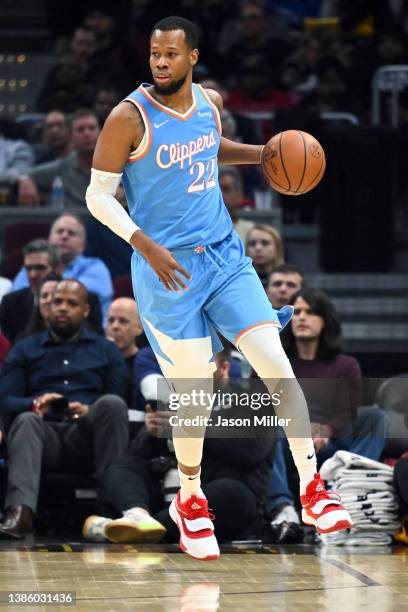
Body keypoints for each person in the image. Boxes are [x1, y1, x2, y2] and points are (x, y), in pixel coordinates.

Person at [85, 15, 352, 560]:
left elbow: (209, 145)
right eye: (154, 54)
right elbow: (97, 198)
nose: (160, 62)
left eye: (170, 54)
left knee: (275, 364)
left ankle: (311, 487)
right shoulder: (127, 117)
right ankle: (189, 498)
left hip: (223, 257)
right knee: (195, 395)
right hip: (166, 270)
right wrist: (145, 244)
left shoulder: (207, 103)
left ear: (193, 57)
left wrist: (262, 155)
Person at [83, 345, 274, 544]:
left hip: (221, 498)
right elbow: (137, 456)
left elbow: (253, 450)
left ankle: (136, 530)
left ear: (224, 369)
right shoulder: (176, 400)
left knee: (232, 493)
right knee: (121, 466)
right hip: (168, 493)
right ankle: (138, 516)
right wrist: (150, 433)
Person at [0, 280, 129, 538]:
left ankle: (113, 509)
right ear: (46, 307)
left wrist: (89, 409)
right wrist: (35, 403)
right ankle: (20, 512)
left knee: (112, 405)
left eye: (71, 303)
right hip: (43, 437)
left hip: (87, 435)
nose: (62, 308)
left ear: (85, 310)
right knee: (26, 419)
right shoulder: (25, 349)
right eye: (57, 302)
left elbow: (118, 397)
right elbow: (5, 399)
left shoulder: (106, 350)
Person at [266, 287, 388, 542]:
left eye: (310, 312)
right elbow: (264, 403)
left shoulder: (346, 365)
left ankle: (341, 497)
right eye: (297, 312)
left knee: (376, 418)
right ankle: (283, 509)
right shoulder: (275, 360)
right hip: (287, 442)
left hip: (333, 446)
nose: (301, 318)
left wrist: (325, 431)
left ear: (325, 320)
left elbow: (348, 410)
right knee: (267, 425)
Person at [12, 213, 113, 321]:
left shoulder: (95, 266)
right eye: (59, 231)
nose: (64, 236)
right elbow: (20, 296)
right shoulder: (33, 265)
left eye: (71, 233)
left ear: (82, 246)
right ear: (49, 239)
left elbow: (76, 298)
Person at [17, 109, 100, 208]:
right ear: (71, 136)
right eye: (80, 130)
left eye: (91, 128)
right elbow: (27, 174)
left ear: (100, 132)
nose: (87, 134)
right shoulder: (62, 167)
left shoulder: (118, 164)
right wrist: (25, 180)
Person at [0, 240, 60, 343]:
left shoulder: (82, 299)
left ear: (58, 269)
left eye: (40, 268)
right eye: (28, 268)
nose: (32, 275)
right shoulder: (10, 303)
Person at [218, 166, 254, 242]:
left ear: (239, 196)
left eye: (226, 189)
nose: (220, 195)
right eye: (215, 191)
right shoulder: (199, 230)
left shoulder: (251, 232)